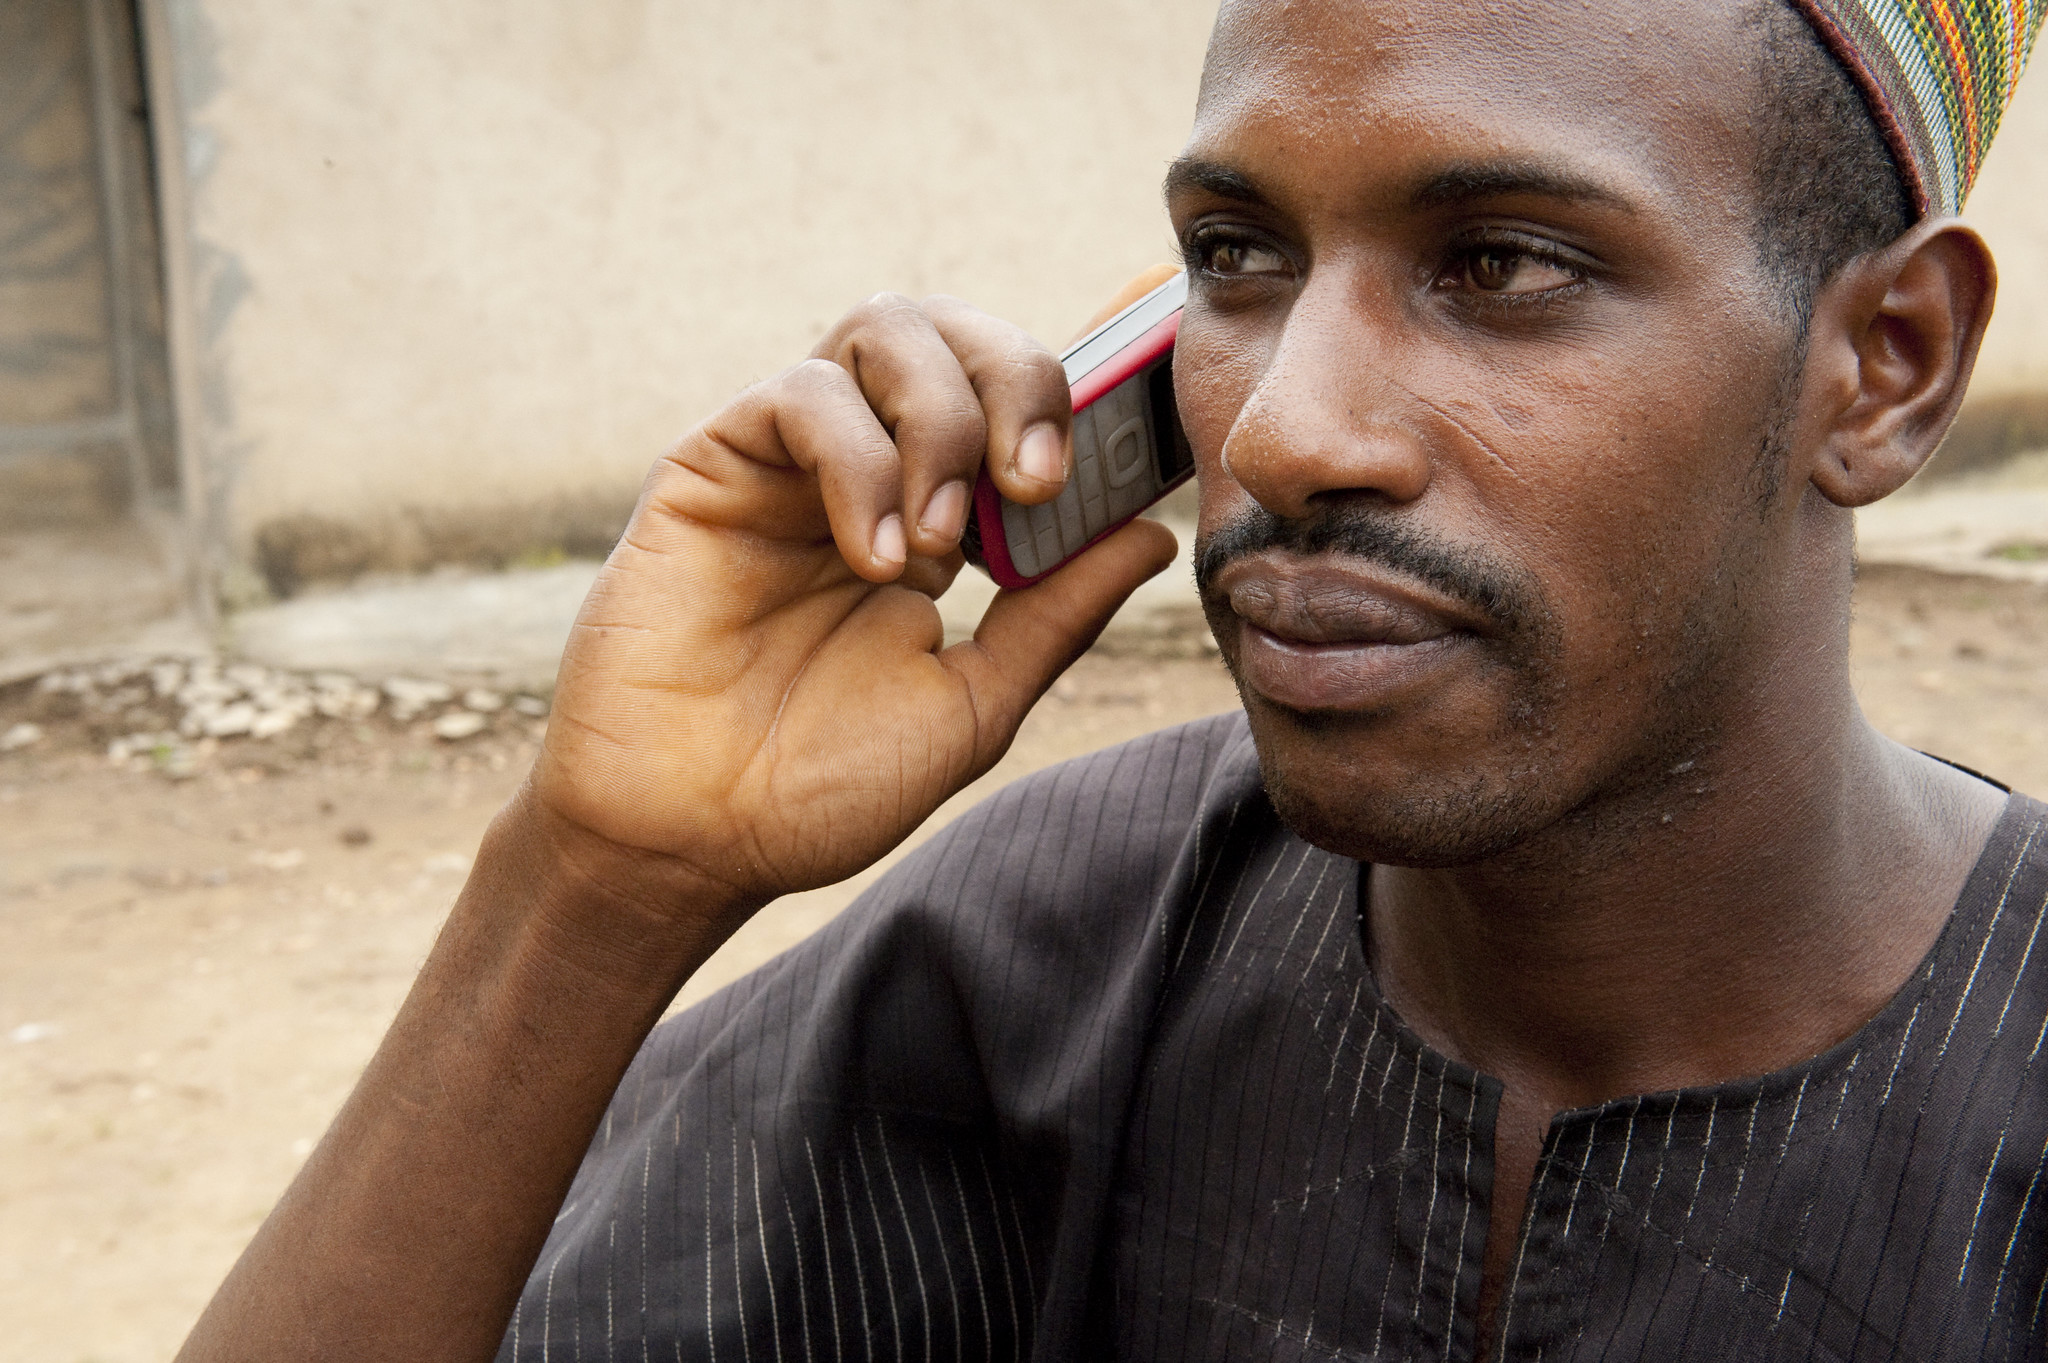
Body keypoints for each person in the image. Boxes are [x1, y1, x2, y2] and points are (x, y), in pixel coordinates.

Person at [177, 0, 2048, 1358]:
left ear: (1885, 363)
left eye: (1503, 263)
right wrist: (598, 875)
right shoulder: (1039, 961)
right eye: (1236, 257)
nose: (1291, 426)